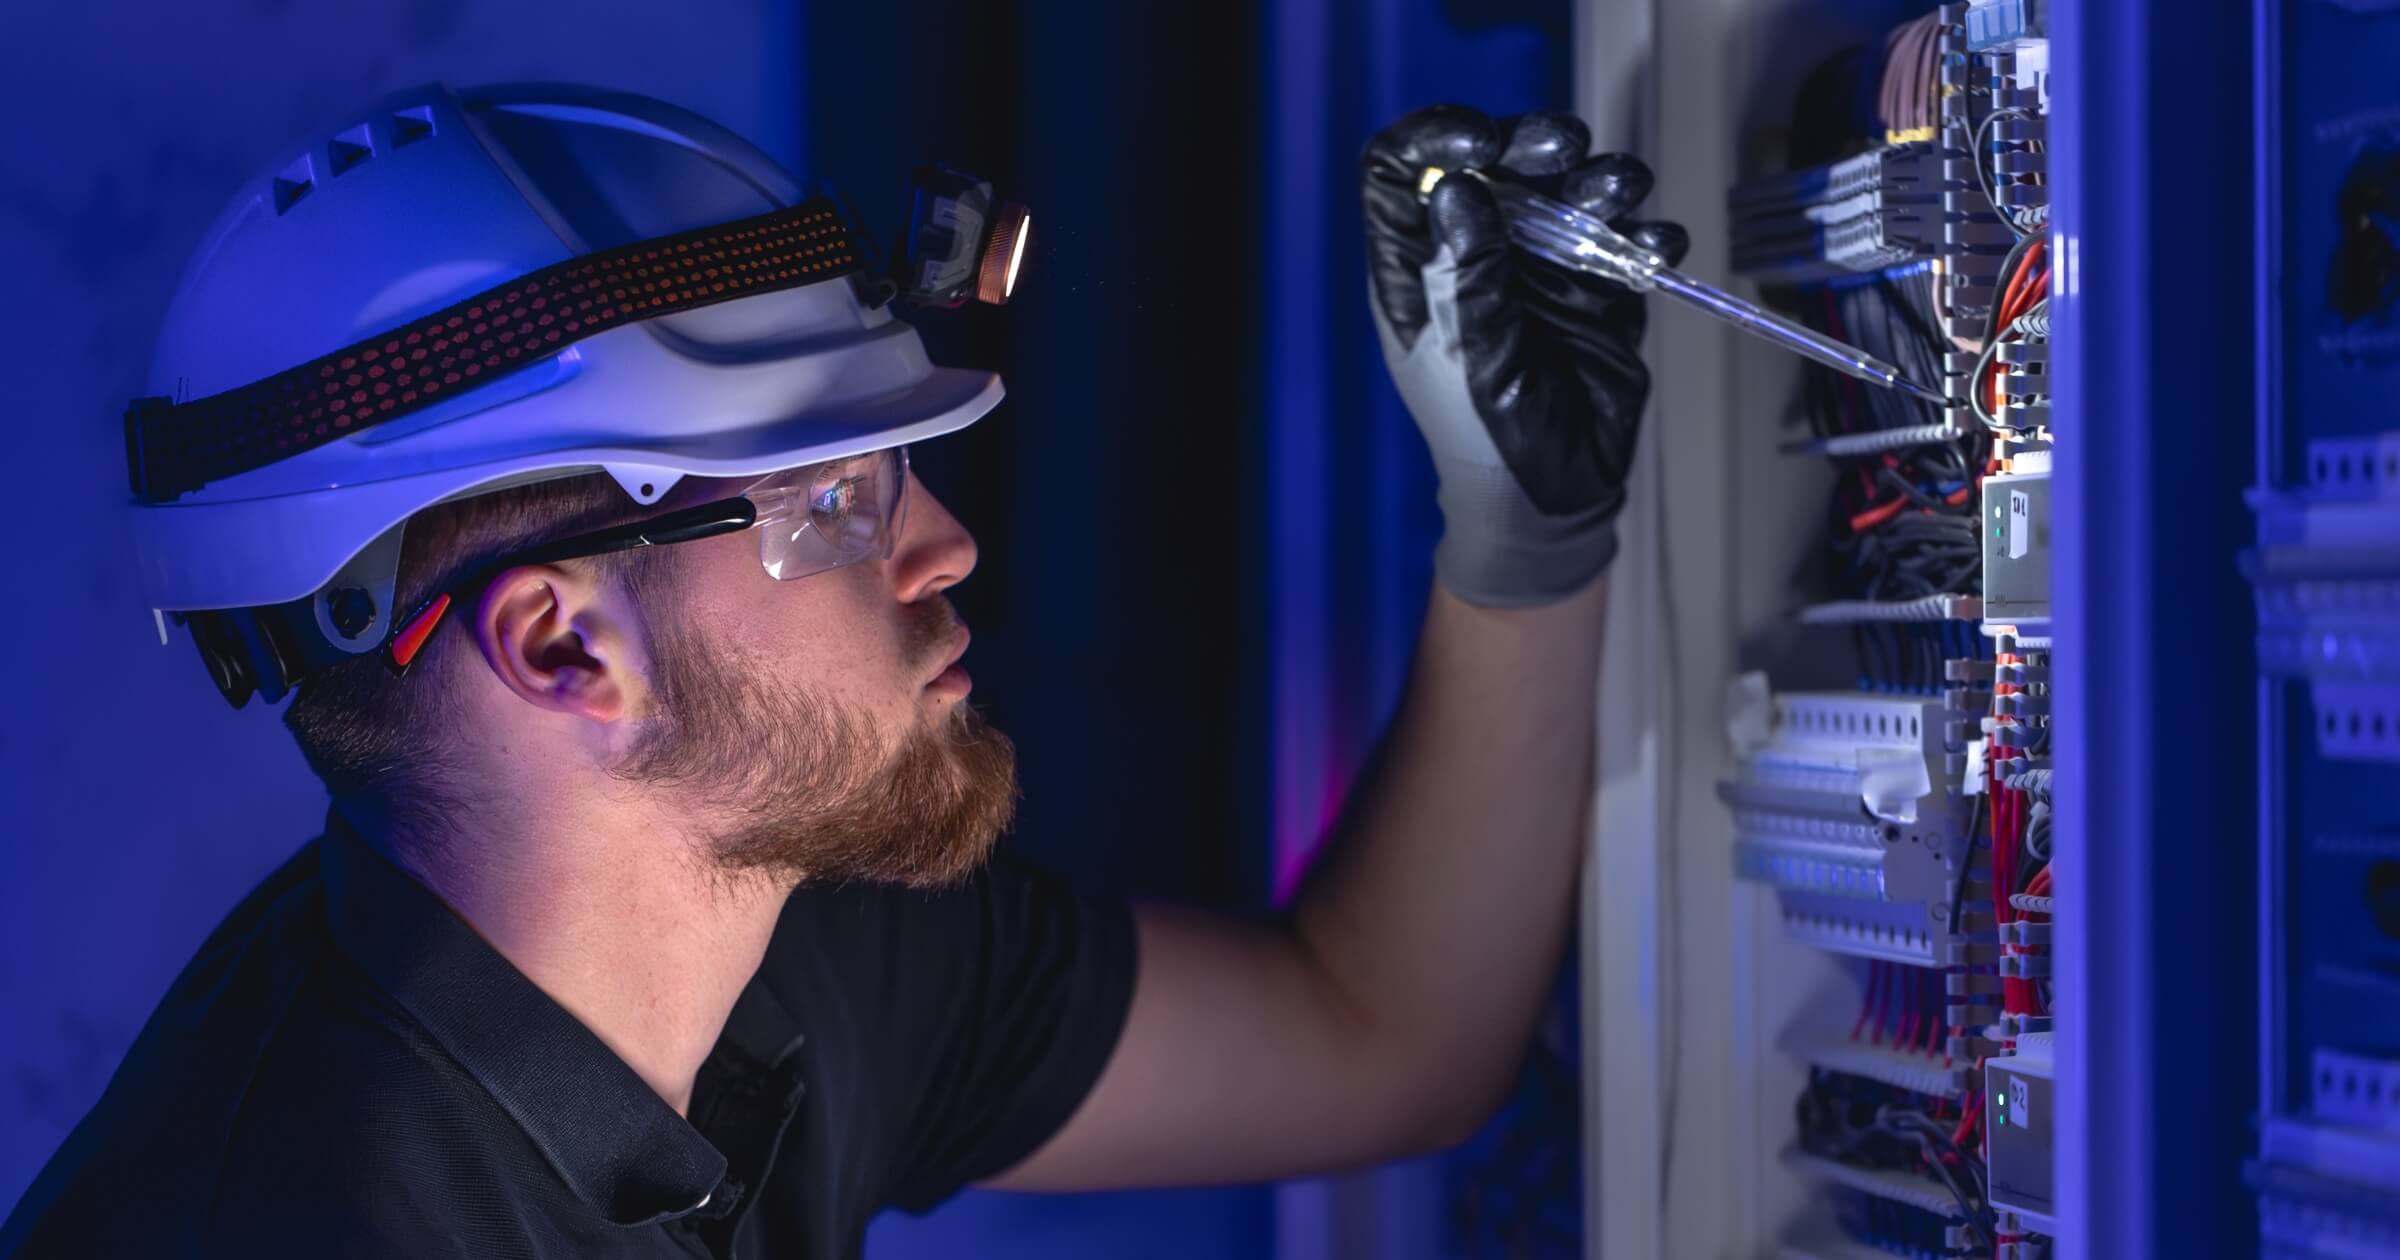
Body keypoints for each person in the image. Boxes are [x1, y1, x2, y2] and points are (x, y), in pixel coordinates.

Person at [0, 86, 1683, 1259]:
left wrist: (1525, 528)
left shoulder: (797, 939)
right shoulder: (289, 1231)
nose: (945, 543)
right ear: (563, 643)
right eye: (840, 496)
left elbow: (1384, 1035)